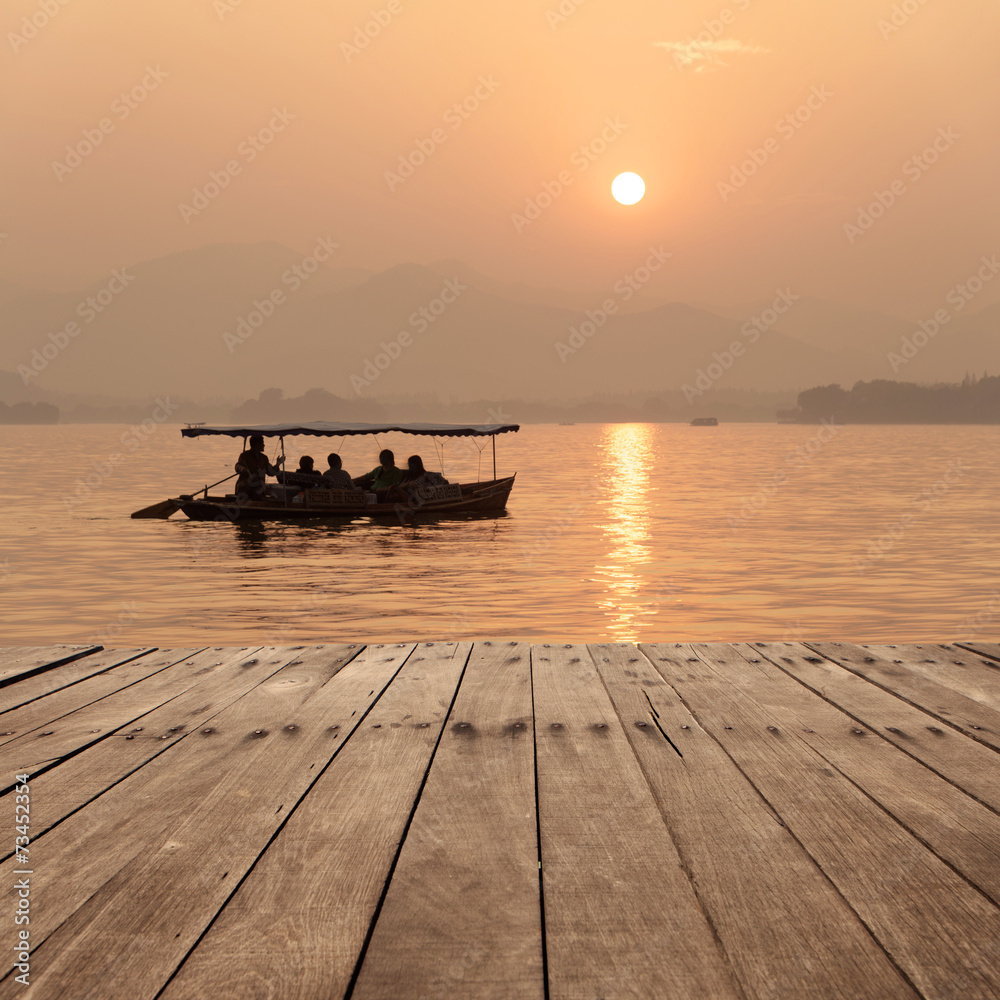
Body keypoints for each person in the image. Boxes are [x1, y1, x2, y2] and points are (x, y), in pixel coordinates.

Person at [234, 434, 282, 499]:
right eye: (262, 443)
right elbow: (238, 466)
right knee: (245, 487)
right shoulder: (245, 455)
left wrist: (278, 464)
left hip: (259, 486)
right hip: (245, 483)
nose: (264, 445)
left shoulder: (264, 458)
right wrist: (241, 468)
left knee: (258, 490)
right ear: (257, 444)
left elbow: (271, 472)